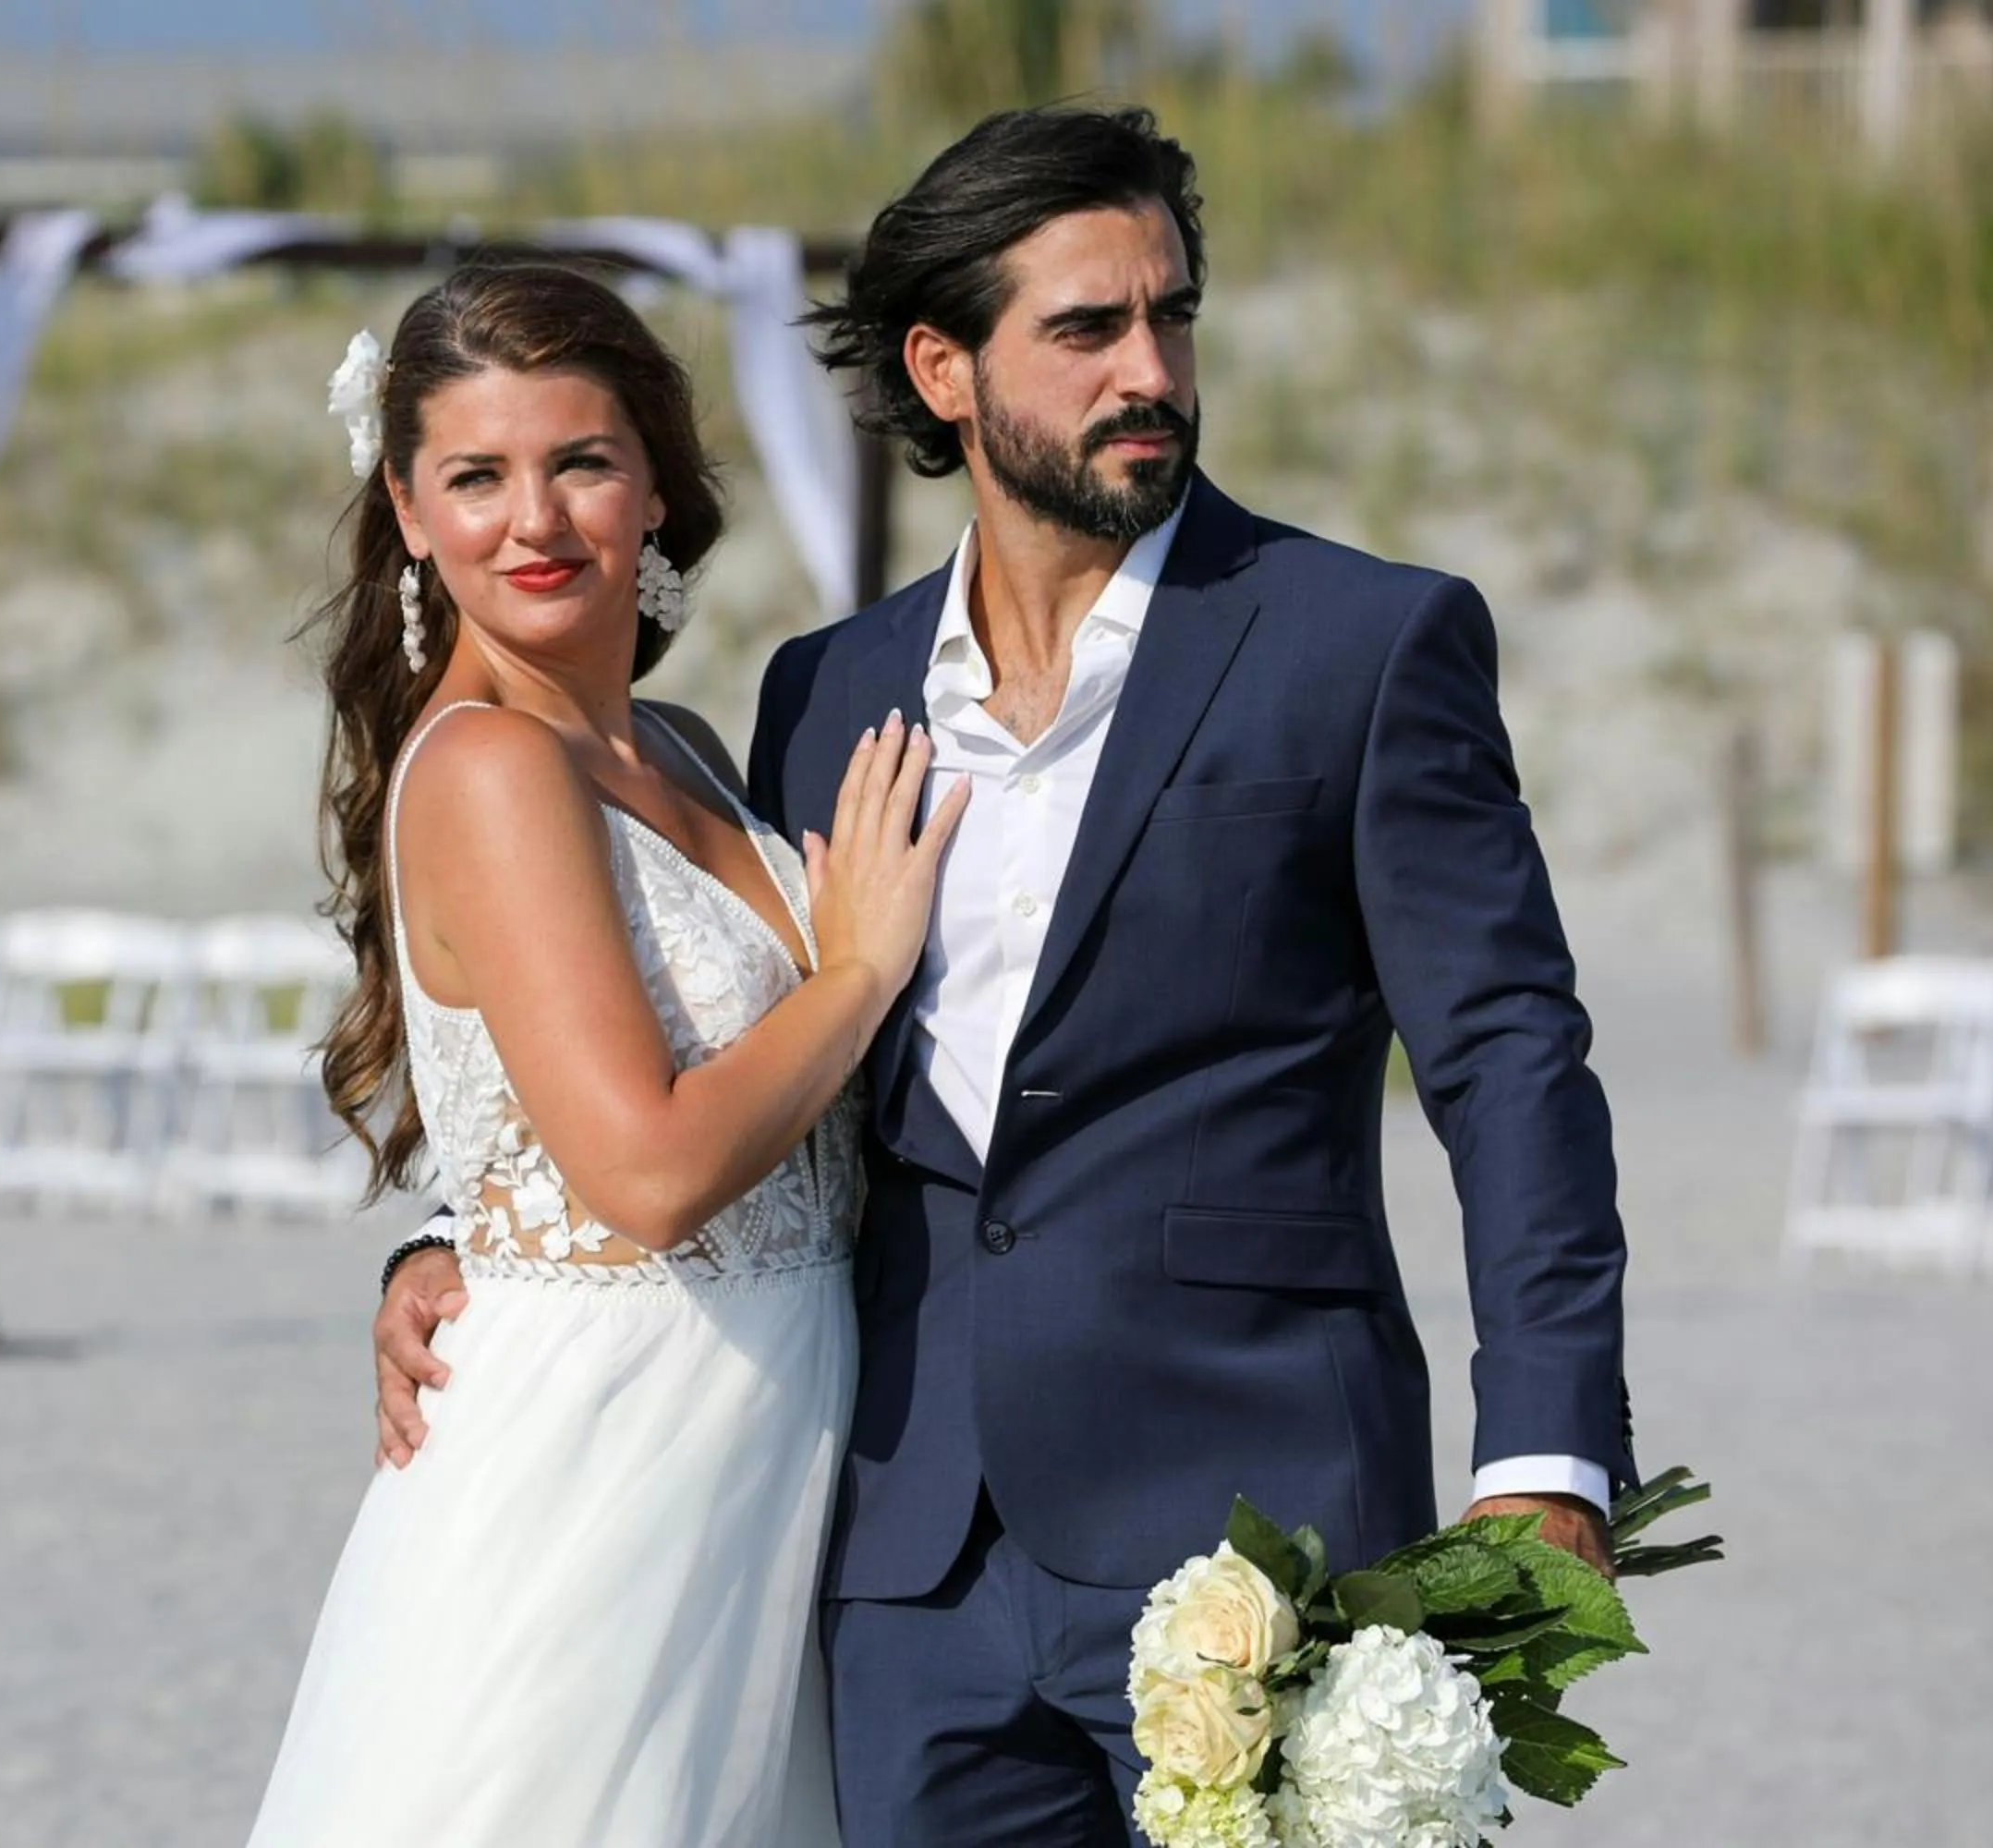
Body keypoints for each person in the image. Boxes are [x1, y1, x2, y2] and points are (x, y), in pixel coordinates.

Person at [377, 106, 1635, 1846]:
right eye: (1086, 329)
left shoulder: (1362, 642)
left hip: (1255, 1522)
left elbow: (1510, 1060)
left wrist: (1548, 1453)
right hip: (901, 1571)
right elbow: (696, 1040)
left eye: (1171, 316)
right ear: (943, 369)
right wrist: (466, 1243)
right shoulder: (828, 694)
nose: (1152, 372)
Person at [243, 261, 966, 1847]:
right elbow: (642, 1173)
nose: (538, 520)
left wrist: (442, 1239)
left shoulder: (689, 750)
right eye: (478, 478)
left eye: (581, 461)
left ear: (653, 482)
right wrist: (854, 968)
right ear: (410, 510)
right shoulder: (490, 767)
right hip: (598, 1456)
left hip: (759, 1440)